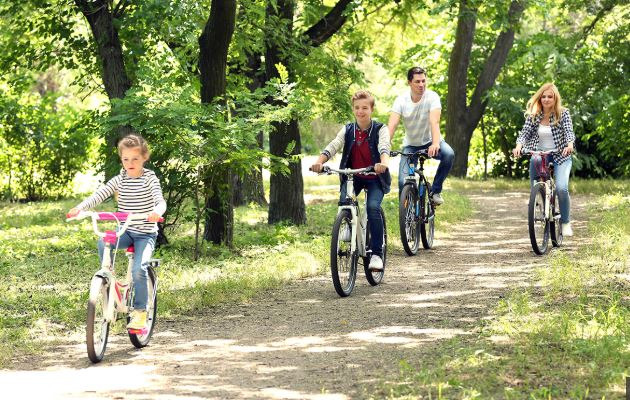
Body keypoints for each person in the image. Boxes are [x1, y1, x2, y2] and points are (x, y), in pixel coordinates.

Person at [67, 134, 166, 329]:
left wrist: (157, 212)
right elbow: (100, 194)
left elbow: (160, 200)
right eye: (125, 159)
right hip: (125, 230)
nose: (130, 163)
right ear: (121, 159)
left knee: (139, 269)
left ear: (144, 158)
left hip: (145, 233)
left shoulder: (149, 178)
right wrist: (80, 208)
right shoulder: (120, 179)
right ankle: (108, 279)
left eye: (135, 159)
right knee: (103, 241)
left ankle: (140, 312)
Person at [311, 90, 391, 271]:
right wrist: (319, 162)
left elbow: (384, 147)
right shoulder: (348, 129)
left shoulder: (380, 129)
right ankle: (348, 222)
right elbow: (334, 145)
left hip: (374, 177)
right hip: (353, 177)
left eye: (365, 108)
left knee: (373, 208)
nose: (360, 111)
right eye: (357, 108)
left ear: (371, 109)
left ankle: (376, 254)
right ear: (353, 109)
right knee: (344, 202)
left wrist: (383, 163)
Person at [513, 82, 575, 236]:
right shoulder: (534, 115)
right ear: (540, 98)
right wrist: (519, 146)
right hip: (540, 153)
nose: (546, 99)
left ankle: (565, 222)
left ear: (555, 98)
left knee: (561, 188)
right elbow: (525, 133)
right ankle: (537, 195)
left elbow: (569, 131)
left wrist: (569, 145)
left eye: (550, 97)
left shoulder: (563, 113)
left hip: (561, 154)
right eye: (543, 97)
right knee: (535, 161)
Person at [388, 66, 454, 205]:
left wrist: (435, 143)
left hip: (431, 142)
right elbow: (392, 125)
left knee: (449, 154)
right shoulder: (401, 100)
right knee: (403, 181)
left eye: (423, 81)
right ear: (409, 82)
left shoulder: (432, 97)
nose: (421, 84)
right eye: (417, 81)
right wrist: (385, 145)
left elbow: (434, 121)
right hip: (411, 146)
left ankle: (435, 191)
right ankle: (407, 213)